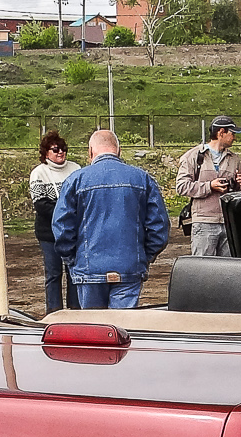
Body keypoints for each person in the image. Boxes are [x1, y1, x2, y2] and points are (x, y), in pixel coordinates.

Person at [52, 130, 169, 309]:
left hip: (88, 268)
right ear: (119, 150)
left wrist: (72, 259)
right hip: (129, 268)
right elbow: (159, 227)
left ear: (90, 151)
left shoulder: (75, 180)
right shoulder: (143, 179)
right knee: (123, 329)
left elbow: (61, 226)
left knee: (95, 330)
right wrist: (143, 257)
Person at [175, 114, 241, 256]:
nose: (234, 137)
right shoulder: (192, 156)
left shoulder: (234, 159)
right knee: (203, 271)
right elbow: (181, 186)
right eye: (232, 133)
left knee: (228, 271)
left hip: (229, 223)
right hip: (204, 223)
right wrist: (210, 186)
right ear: (221, 133)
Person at [28, 131, 81, 313]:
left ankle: (75, 310)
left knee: (74, 273)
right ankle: (54, 312)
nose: (61, 153)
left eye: (64, 149)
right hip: (49, 234)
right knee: (53, 274)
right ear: (46, 153)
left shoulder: (76, 169)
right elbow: (41, 205)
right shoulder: (38, 173)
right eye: (56, 149)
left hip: (74, 232)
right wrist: (67, 213)